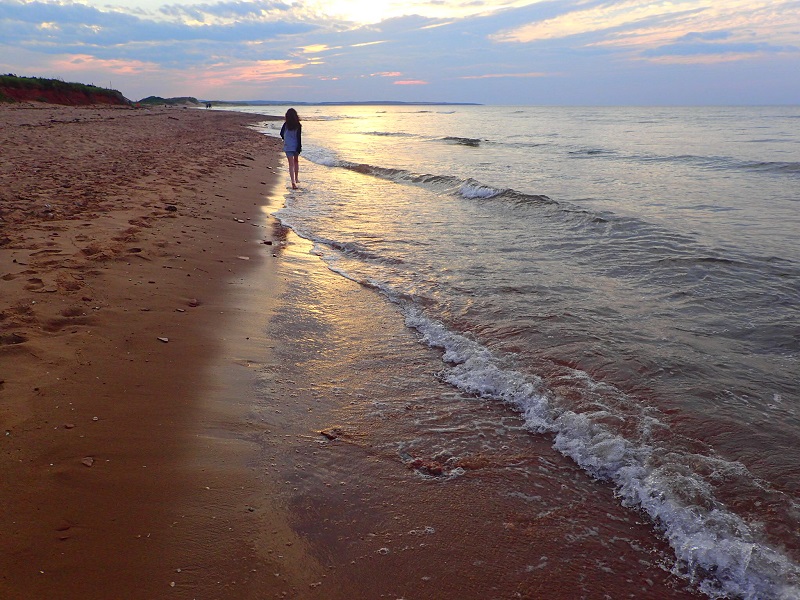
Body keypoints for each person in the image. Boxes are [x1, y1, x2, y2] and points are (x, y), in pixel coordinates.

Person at [279, 108, 302, 189]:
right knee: (296, 161)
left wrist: (285, 139)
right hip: (296, 145)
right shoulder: (298, 125)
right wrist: (299, 147)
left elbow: (281, 133)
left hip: (288, 145)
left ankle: (293, 181)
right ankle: (296, 178)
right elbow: (298, 137)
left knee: (290, 164)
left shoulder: (286, 124)